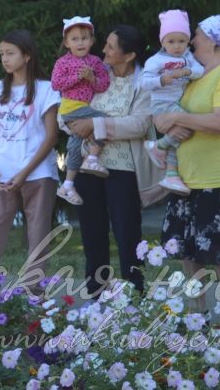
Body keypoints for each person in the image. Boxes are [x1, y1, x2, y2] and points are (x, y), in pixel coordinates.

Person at [156, 14, 220, 309]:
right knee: (189, 254)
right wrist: (166, 121)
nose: (192, 39)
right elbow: (169, 114)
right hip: (187, 180)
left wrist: (176, 118)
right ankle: (196, 317)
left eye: (197, 33)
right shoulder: (194, 76)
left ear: (214, 41)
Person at [64, 25, 165, 298]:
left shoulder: (144, 83)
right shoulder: (96, 76)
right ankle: (96, 294)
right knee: (92, 231)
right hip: (87, 166)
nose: (104, 50)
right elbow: (71, 105)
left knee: (126, 231)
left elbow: (139, 124)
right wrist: (75, 124)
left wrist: (94, 125)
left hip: (124, 169)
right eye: (105, 44)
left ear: (129, 54)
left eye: (111, 46)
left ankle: (135, 293)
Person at [0, 30, 60, 290]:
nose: (4, 59)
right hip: (2, 176)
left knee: (37, 236)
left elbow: (51, 136)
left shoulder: (46, 89)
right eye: (2, 54)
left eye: (10, 53)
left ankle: (33, 294)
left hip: (38, 174)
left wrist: (25, 171)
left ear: (27, 56)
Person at [141, 9, 205, 194]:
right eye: (171, 41)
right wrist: (160, 80)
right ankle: (157, 146)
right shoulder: (156, 60)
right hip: (162, 103)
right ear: (162, 42)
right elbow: (144, 83)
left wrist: (187, 71)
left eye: (182, 41)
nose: (177, 46)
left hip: (178, 103)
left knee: (181, 134)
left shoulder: (188, 58)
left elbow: (200, 71)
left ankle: (171, 174)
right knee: (192, 124)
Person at [51, 16, 111, 205]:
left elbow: (103, 85)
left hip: (84, 108)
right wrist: (78, 77)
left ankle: (67, 185)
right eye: (75, 39)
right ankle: (92, 158)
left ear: (92, 41)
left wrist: (92, 78)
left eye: (85, 38)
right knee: (104, 121)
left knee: (74, 146)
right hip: (70, 107)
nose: (80, 42)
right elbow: (56, 84)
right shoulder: (63, 62)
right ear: (67, 43)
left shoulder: (95, 62)